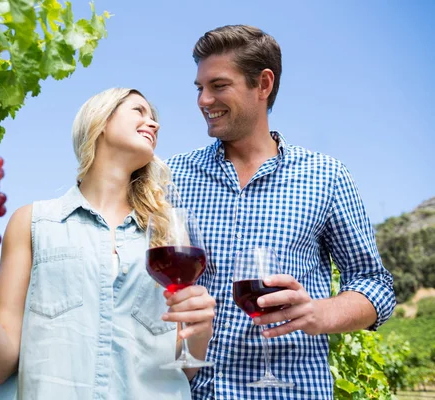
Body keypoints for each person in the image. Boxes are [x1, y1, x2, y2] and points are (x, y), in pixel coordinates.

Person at [0, 88, 216, 400]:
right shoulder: (32, 223)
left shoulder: (165, 239)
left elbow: (182, 369)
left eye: (154, 119)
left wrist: (201, 331)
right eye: (139, 111)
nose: (153, 124)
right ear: (99, 121)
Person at [165, 25, 396, 399]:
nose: (203, 100)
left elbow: (375, 286)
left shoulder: (327, 176)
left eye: (218, 86)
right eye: (199, 88)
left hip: (291, 391)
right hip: (193, 392)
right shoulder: (173, 177)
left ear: (264, 84)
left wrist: (321, 313)